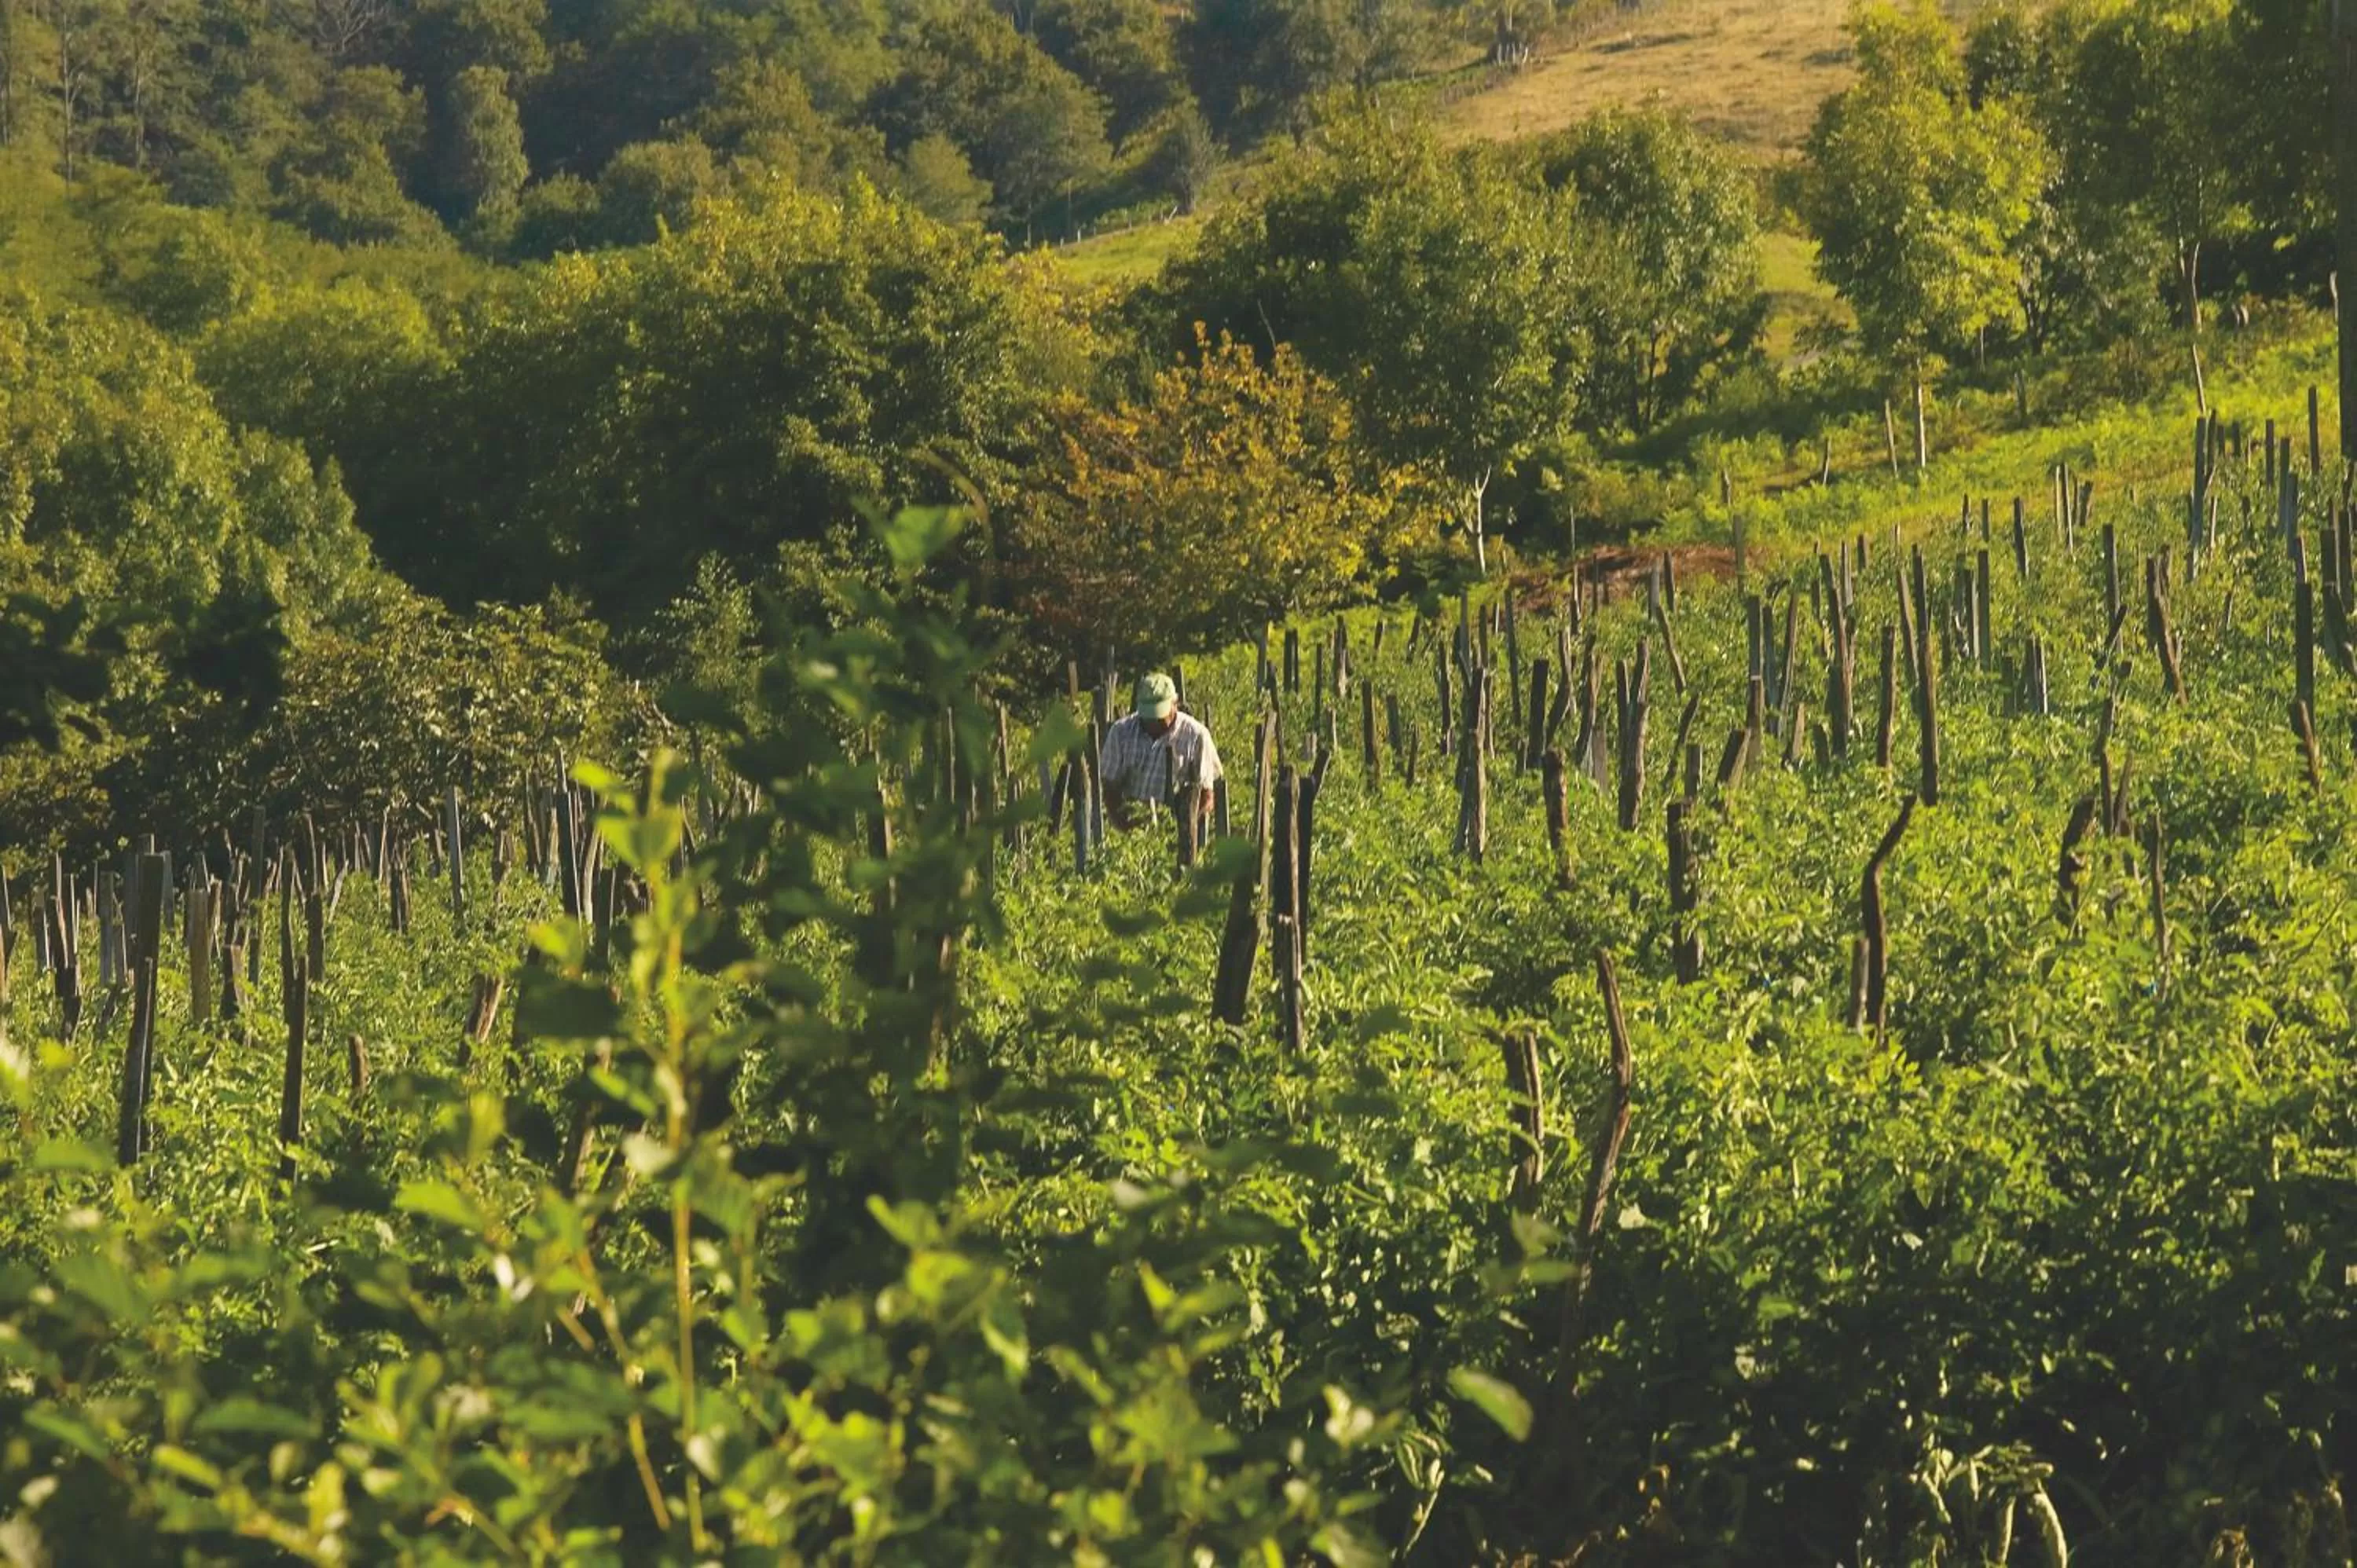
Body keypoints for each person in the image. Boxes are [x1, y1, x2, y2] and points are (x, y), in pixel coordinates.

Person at [1101, 672, 1222, 832]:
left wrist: (1184, 831)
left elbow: (1207, 795)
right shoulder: (1121, 732)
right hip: (1130, 830)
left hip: (1178, 829)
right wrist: (1124, 828)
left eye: (1159, 715)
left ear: (1175, 704)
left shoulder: (1196, 736)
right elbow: (1110, 787)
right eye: (1148, 715)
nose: (1153, 722)